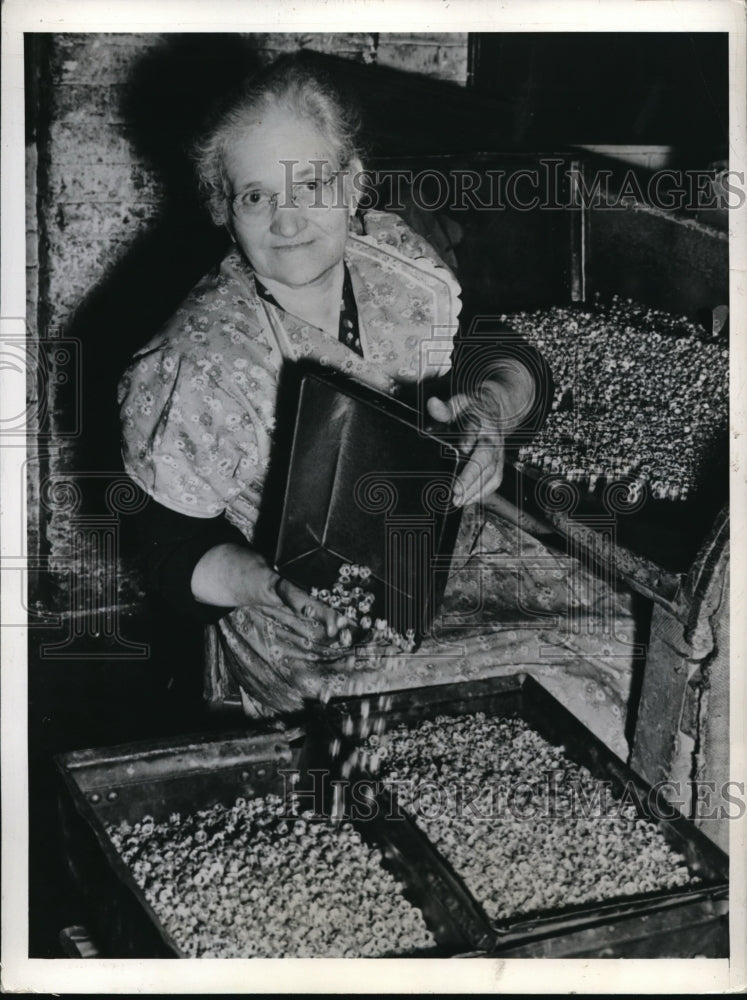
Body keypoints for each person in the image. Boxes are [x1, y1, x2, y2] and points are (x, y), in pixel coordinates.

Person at [119, 58, 637, 754]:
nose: (288, 219)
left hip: (445, 538)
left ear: (352, 183)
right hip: (297, 601)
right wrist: (270, 589)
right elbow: (164, 547)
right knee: (501, 732)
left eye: (311, 184)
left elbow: (507, 357)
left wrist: (488, 416)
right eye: (255, 196)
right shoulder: (199, 356)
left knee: (630, 649)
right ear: (223, 208)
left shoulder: (396, 265)